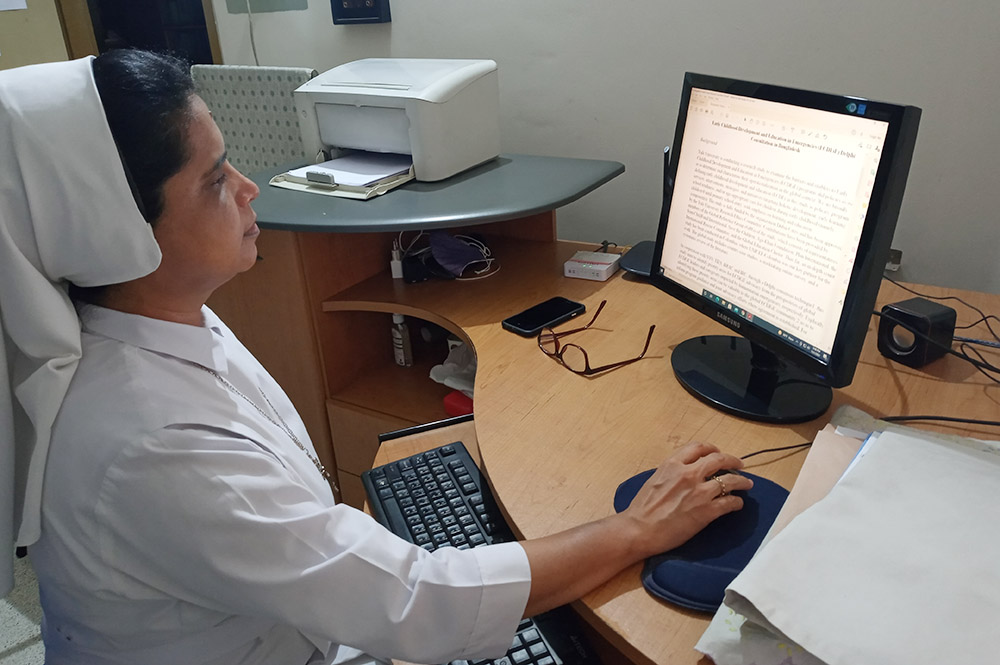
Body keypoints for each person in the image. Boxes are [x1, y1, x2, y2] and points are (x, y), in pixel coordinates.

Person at [0, 50, 753, 665]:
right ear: (114, 230)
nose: (248, 186)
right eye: (214, 180)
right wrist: (636, 530)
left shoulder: (154, 323)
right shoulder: (144, 441)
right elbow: (415, 602)